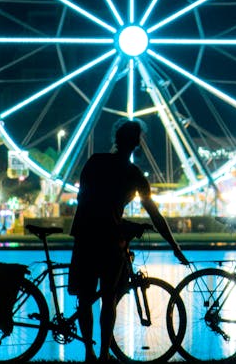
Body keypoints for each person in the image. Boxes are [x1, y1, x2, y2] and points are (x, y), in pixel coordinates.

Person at [68, 118, 188, 362]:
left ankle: (88, 353)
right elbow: (155, 214)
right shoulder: (133, 175)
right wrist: (174, 246)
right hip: (111, 238)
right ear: (137, 143)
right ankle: (103, 355)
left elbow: (83, 198)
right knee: (109, 297)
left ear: (116, 138)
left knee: (84, 297)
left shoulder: (95, 162)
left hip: (84, 233)